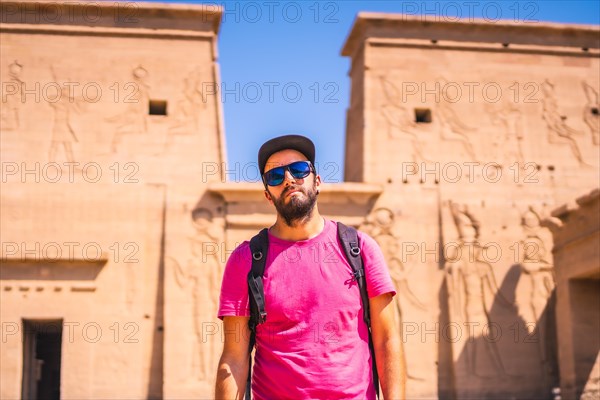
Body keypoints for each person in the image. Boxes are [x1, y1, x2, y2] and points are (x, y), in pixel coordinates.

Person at [215, 134, 405, 399]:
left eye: (299, 169)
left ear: (317, 181)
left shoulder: (360, 249)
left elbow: (387, 340)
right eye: (275, 176)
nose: (289, 179)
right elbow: (233, 358)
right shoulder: (245, 259)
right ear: (268, 195)